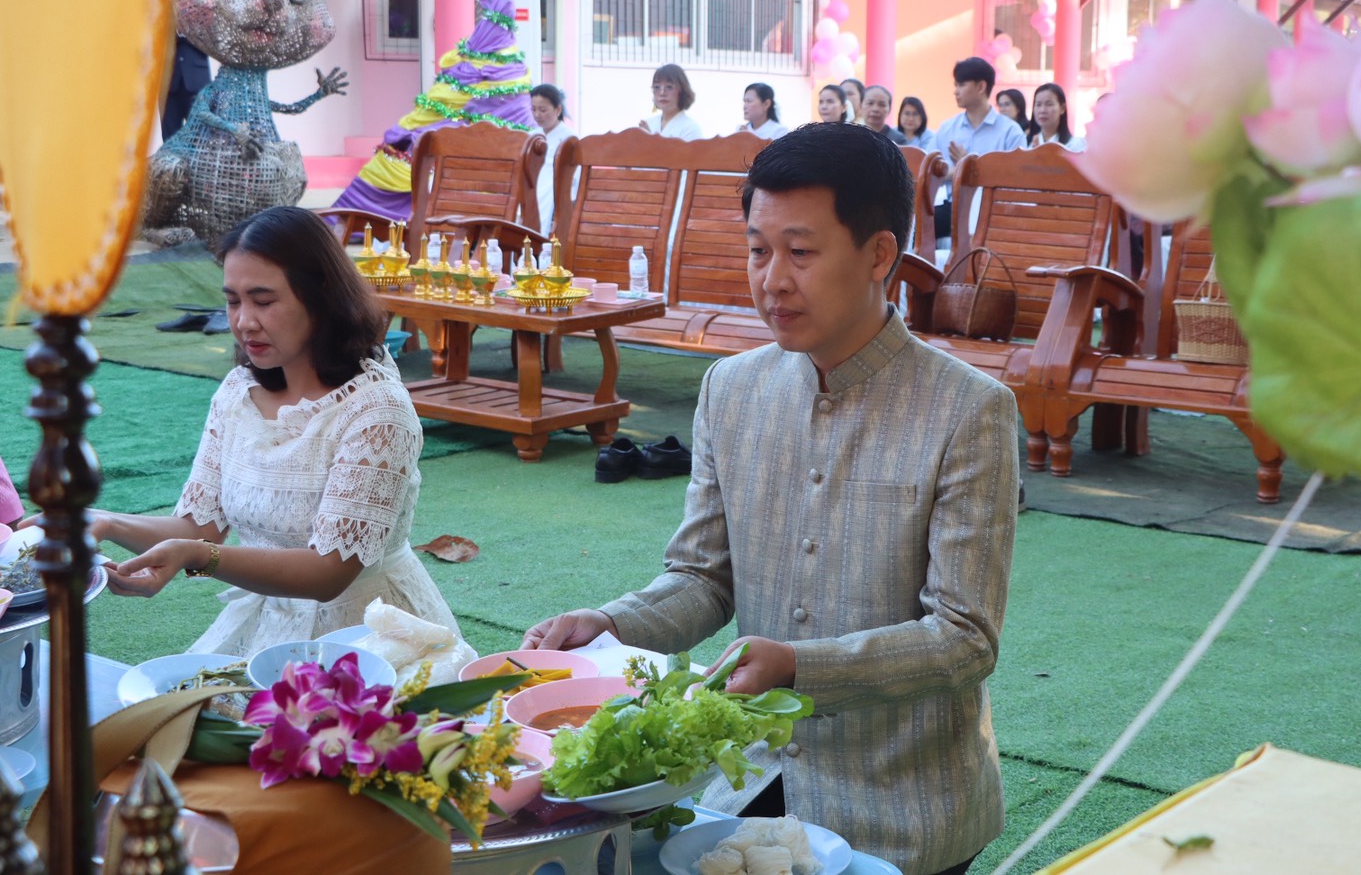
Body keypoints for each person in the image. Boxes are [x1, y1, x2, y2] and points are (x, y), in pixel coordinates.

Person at [521, 124, 1019, 875]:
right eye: (758, 250)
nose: (772, 280)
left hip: (904, 810)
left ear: (879, 254)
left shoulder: (967, 409)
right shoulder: (732, 388)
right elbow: (703, 578)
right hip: (750, 777)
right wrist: (611, 623)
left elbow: (963, 637)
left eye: (801, 252)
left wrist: (798, 666)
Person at [80, 206, 461, 657]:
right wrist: (102, 522)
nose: (244, 321)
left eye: (263, 301)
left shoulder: (378, 410)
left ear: (321, 298)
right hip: (266, 621)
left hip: (372, 635)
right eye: (233, 300)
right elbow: (199, 526)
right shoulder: (238, 391)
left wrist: (197, 556)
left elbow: (328, 573)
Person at [932, 57, 1028, 169]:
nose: (956, 92)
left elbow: (1017, 176)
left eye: (961, 85)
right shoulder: (946, 129)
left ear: (981, 87)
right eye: (956, 85)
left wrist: (971, 167)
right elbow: (927, 170)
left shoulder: (1010, 132)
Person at [530, 84, 577, 238]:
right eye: (533, 109)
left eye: (543, 110)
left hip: (556, 206)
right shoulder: (531, 137)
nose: (537, 115)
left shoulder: (570, 139)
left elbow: (575, 179)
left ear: (558, 110)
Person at [639, 63, 703, 139]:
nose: (662, 93)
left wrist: (651, 140)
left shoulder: (690, 129)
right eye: (657, 87)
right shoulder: (649, 124)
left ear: (682, 91)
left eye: (669, 87)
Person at [1026, 82, 1086, 151]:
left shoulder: (1074, 145)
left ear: (1062, 108)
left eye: (1049, 104)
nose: (1042, 110)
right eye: (1038, 105)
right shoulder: (1026, 144)